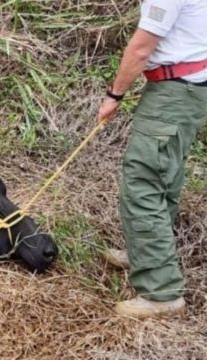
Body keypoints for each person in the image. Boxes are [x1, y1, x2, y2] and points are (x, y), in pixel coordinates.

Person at [98, 0, 207, 318]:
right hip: (187, 88)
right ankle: (146, 253)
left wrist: (114, 94)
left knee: (144, 182)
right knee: (165, 176)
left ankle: (161, 292)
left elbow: (141, 48)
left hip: (175, 93)